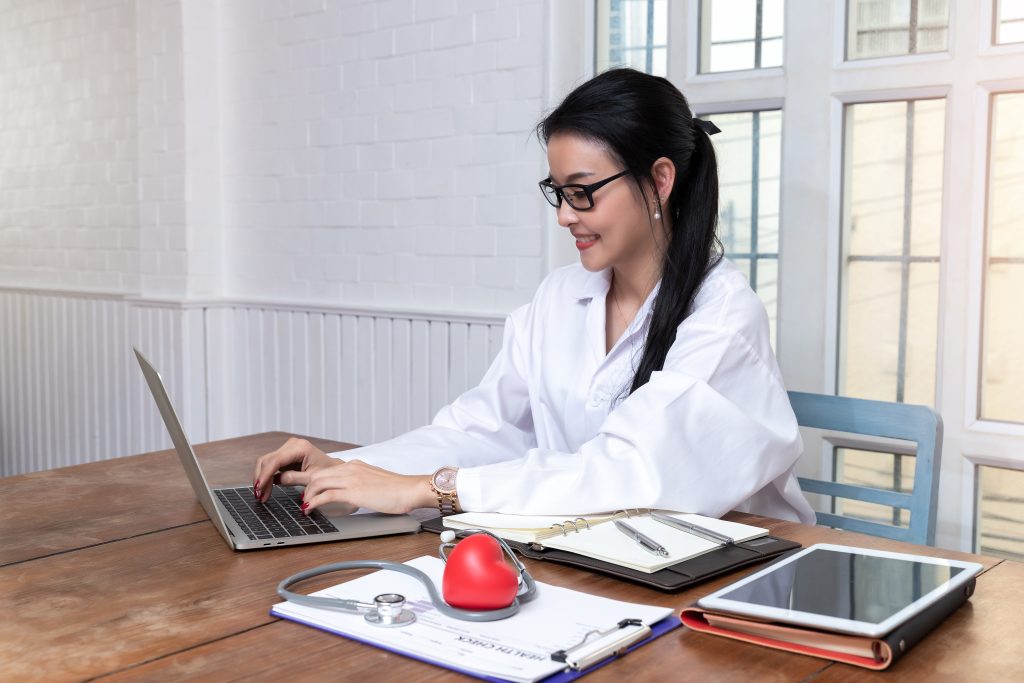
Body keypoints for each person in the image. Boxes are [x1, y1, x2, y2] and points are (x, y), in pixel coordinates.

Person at [253, 68, 815, 524]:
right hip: (600, 554)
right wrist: (351, 469)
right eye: (558, 193)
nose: (567, 216)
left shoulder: (722, 316)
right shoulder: (560, 296)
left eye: (583, 193)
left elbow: (628, 473)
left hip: (726, 590)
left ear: (659, 181)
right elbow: (482, 428)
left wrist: (426, 490)